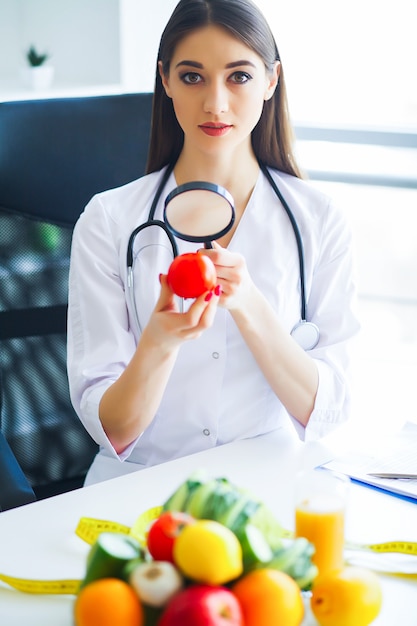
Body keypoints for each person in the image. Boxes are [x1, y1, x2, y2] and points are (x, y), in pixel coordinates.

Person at [67, 0, 360, 485]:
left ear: (271, 81)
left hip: (273, 485)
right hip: (140, 489)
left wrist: (250, 307)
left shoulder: (320, 219)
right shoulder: (109, 220)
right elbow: (113, 432)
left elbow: (327, 412)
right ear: (165, 81)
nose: (216, 103)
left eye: (239, 76)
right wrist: (157, 343)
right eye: (192, 76)